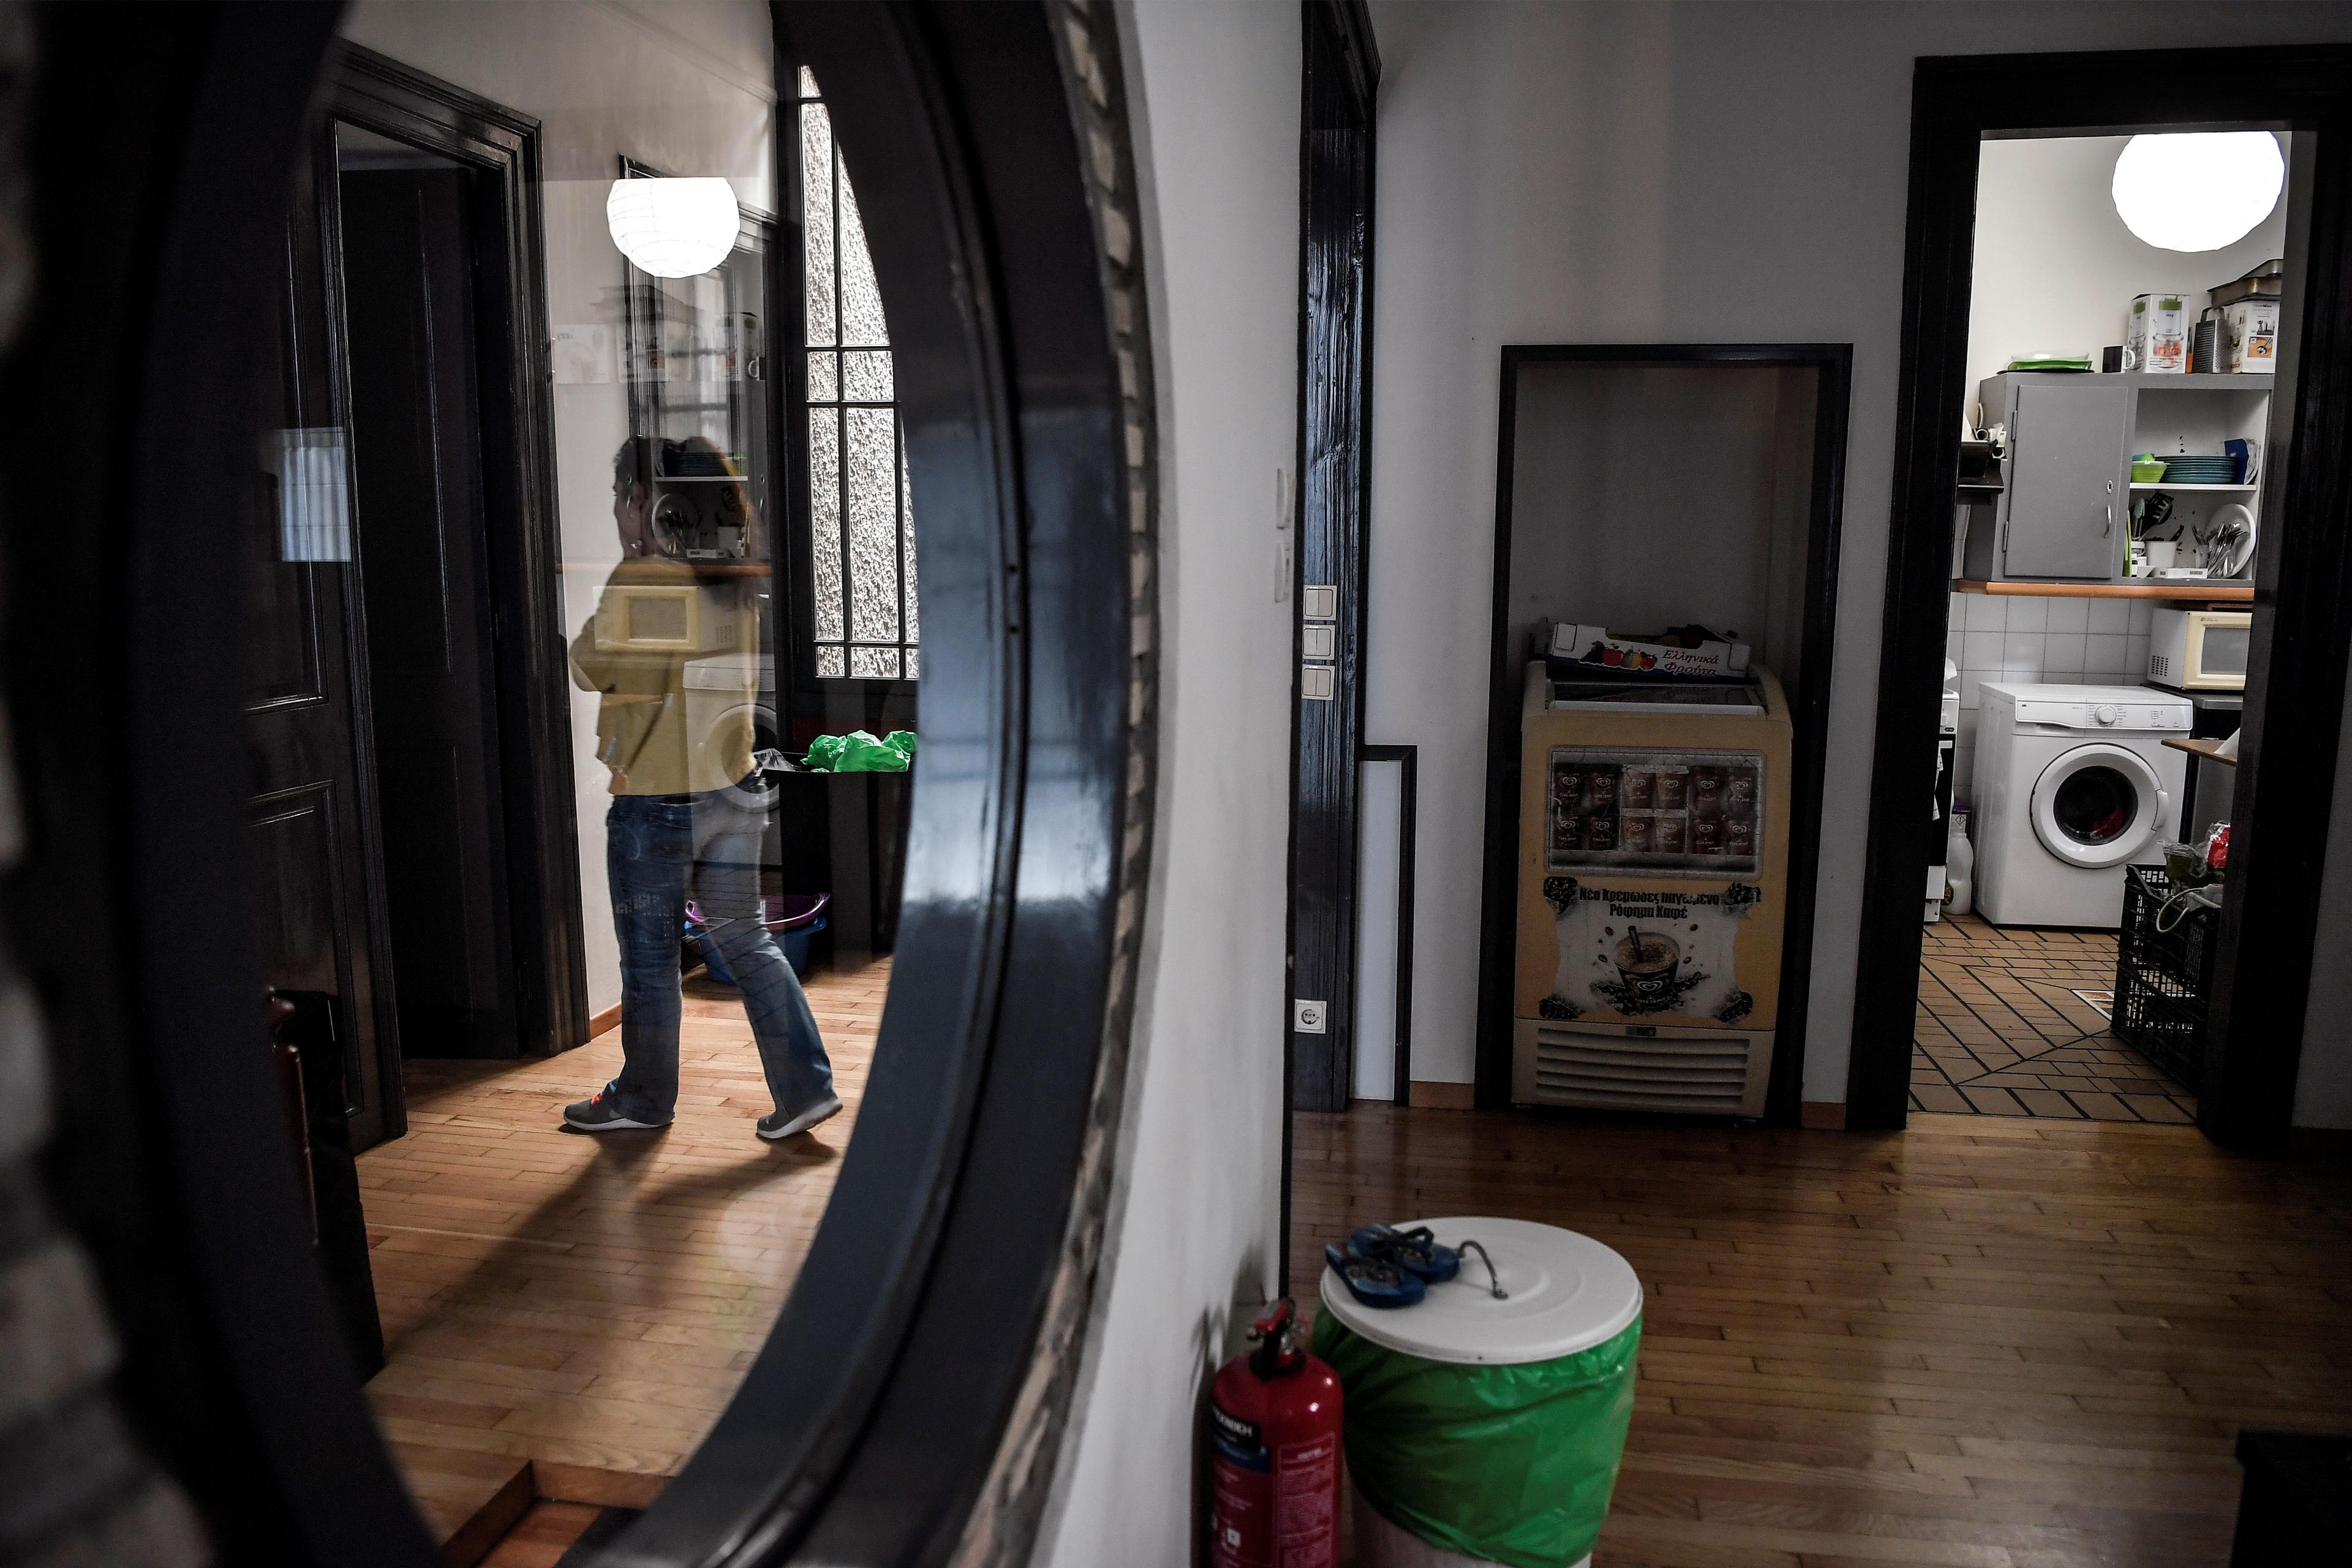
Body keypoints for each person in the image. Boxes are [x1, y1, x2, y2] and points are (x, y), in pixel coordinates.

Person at [562, 435, 839, 1140]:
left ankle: (642, 1099)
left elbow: (590, 666)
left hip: (659, 798)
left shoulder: (647, 579)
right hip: (733, 787)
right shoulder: (733, 577)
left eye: (627, 494)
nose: (623, 510)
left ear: (650, 503)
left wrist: (627, 569)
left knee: (651, 957)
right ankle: (806, 1088)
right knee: (747, 939)